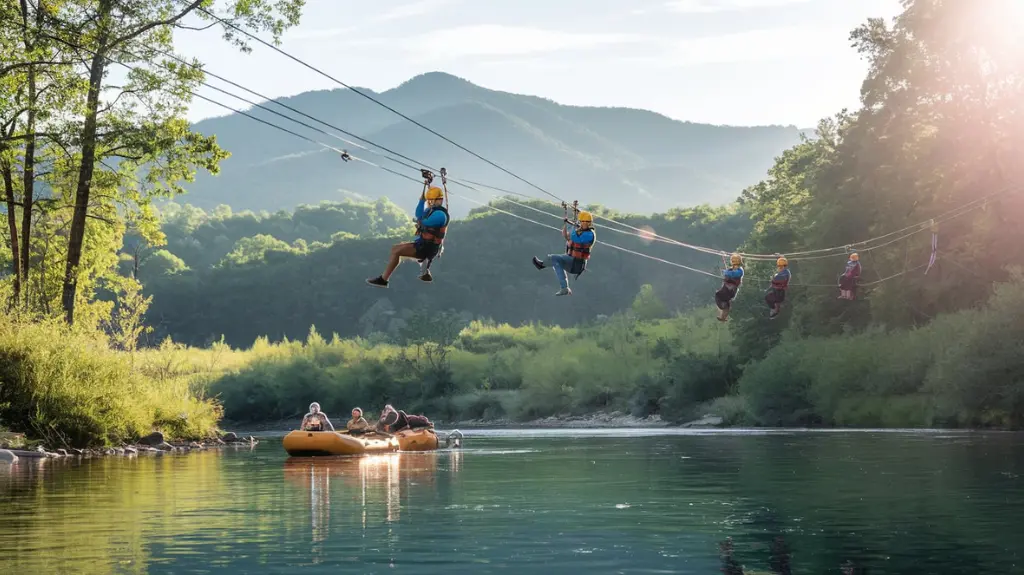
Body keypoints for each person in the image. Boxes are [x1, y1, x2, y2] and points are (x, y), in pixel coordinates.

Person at [367, 183, 449, 288]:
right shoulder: (431, 210)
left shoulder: (440, 215)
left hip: (427, 247)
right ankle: (385, 279)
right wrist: (422, 199)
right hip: (423, 244)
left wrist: (421, 220)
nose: (431, 203)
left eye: (432, 200)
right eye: (430, 201)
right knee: (395, 249)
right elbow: (418, 214)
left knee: (396, 251)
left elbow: (425, 221)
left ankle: (383, 279)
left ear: (439, 200)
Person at [531, 210, 596, 296]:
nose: (583, 223)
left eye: (585, 222)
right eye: (582, 221)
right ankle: (564, 287)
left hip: (577, 263)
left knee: (554, 258)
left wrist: (572, 225)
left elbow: (574, 237)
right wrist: (567, 223)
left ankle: (542, 265)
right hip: (571, 260)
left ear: (589, 223)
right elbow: (567, 235)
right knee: (554, 260)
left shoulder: (590, 234)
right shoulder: (580, 231)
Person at [715, 253, 744, 322]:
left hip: (730, 290)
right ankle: (723, 317)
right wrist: (726, 272)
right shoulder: (731, 269)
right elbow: (728, 274)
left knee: (719, 296)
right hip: (728, 290)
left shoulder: (740, 270)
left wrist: (726, 272)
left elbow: (734, 274)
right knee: (726, 302)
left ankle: (723, 310)